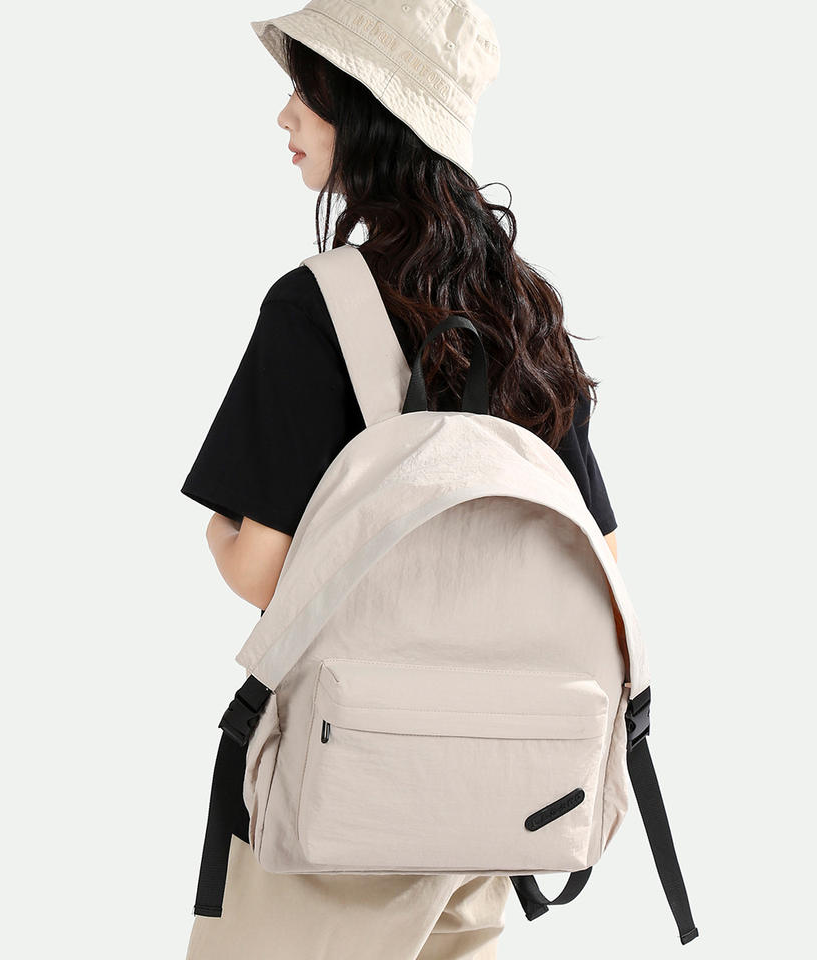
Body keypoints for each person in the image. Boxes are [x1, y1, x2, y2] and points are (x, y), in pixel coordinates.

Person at [181, 3, 619, 957]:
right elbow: (605, 560)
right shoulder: (526, 312)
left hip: (340, 797)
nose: (286, 116)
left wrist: (217, 531)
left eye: (307, 92)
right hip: (495, 804)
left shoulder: (315, 307)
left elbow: (263, 573)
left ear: (368, 111)